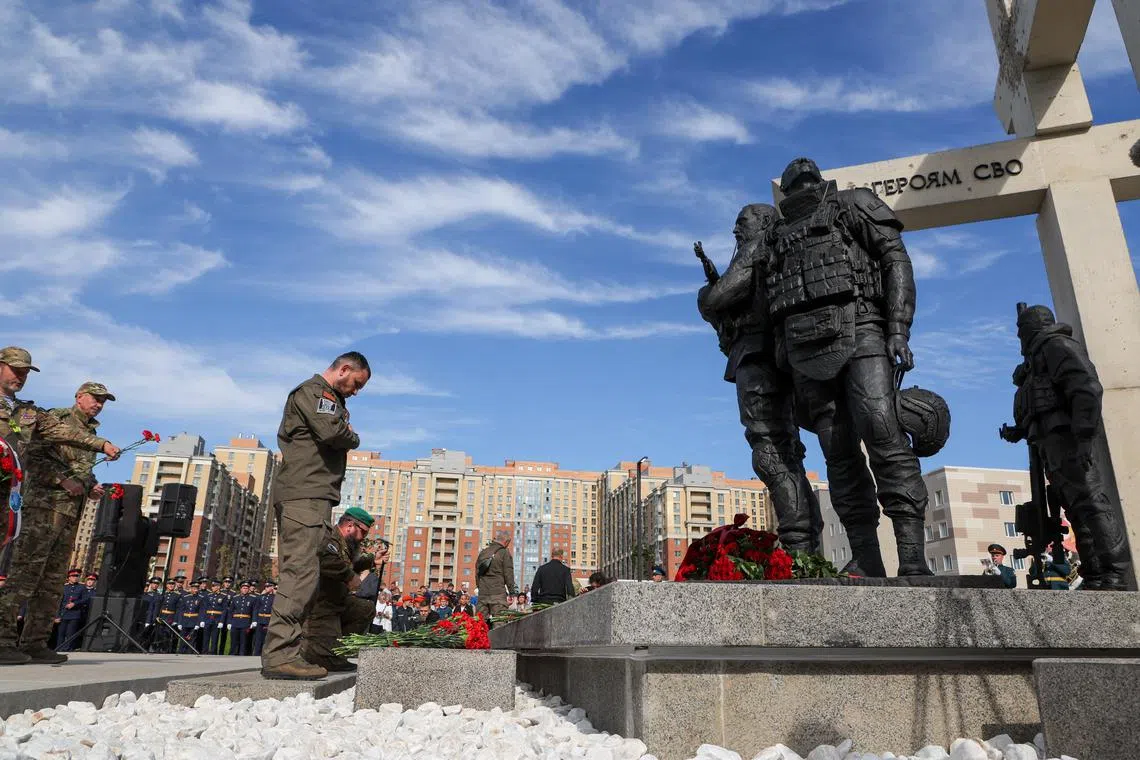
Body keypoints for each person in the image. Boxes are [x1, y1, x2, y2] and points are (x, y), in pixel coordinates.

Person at [764, 159, 930, 577]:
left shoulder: (854, 204)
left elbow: (895, 259)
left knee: (881, 429)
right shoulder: (776, 235)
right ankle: (867, 558)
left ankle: (912, 558)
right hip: (805, 351)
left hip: (862, 329)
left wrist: (898, 327)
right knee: (837, 454)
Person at [697, 206, 825, 553]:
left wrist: (706, 296)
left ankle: (798, 545)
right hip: (787, 356)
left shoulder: (757, 250)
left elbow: (718, 298)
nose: (736, 229)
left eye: (743, 221)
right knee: (787, 449)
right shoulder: (785, 252)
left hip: (758, 356)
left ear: (765, 223)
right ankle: (807, 539)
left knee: (769, 447)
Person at [0, 351, 122, 666]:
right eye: (16, 370)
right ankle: (2, 640)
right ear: (79, 397)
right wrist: (62, 480)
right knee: (25, 573)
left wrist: (91, 474)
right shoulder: (55, 414)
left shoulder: (28, 412)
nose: (22, 376)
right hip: (42, 507)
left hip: (69, 511)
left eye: (26, 372)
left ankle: (35, 642)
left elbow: (61, 440)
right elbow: (34, 458)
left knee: (52, 580)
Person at [1000, 304, 1131, 590]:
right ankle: (1095, 573)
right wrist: (1021, 430)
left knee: (1092, 505)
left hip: (1070, 441)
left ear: (1032, 328)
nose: (1020, 338)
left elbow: (1086, 388)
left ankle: (1116, 572)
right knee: (1075, 510)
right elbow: (1042, 404)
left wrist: (1084, 435)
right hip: (1050, 445)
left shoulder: (1056, 346)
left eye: (1021, 331)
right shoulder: (1034, 362)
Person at [262, 352, 370, 681]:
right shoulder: (315, 393)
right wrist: (352, 435)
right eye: (356, 383)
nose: (356, 391)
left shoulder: (326, 397)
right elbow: (333, 432)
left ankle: (298, 652)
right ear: (344, 369)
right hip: (304, 496)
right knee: (300, 576)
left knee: (308, 577)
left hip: (313, 497)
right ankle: (280, 655)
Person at [301, 508, 379, 673]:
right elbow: (327, 561)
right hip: (320, 604)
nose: (363, 538)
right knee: (326, 659)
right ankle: (320, 648)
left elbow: (349, 564)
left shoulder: (345, 544)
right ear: (350, 525)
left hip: (337, 601)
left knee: (365, 609)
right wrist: (350, 577)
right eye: (363, 532)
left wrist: (372, 560)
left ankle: (337, 647)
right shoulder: (329, 538)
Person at [475, 531, 517, 622]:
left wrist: (480, 587)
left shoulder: (483, 552)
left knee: (480, 623)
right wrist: (512, 592)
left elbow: (477, 572)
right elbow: (508, 574)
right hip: (498, 594)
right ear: (506, 542)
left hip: (483, 593)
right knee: (499, 622)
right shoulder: (504, 552)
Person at [54, 569, 87, 652]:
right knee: (61, 633)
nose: (75, 578)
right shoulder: (64, 587)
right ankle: (59, 648)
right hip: (63, 613)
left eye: (77, 576)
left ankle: (68, 648)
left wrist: (74, 604)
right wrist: (57, 615)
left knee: (70, 633)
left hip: (74, 613)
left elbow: (85, 599)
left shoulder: (82, 587)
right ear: (69, 577)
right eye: (73, 576)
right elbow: (58, 603)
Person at [227, 581, 257, 655]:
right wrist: (229, 622)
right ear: (240, 589)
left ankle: (242, 656)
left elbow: (254, 610)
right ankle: (232, 654)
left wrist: (254, 621)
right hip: (235, 622)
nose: (245, 590)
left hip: (246, 622)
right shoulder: (235, 598)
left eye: (247, 588)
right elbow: (231, 611)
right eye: (244, 588)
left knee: (243, 641)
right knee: (234, 640)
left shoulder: (253, 598)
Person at [252, 581, 275, 656]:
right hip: (260, 619)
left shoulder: (275, 598)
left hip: (269, 620)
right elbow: (256, 609)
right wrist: (254, 620)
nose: (267, 588)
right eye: (266, 587)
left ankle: (266, 654)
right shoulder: (261, 597)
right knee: (258, 638)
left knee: (267, 639)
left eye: (268, 587)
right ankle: (256, 653)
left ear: (272, 587)